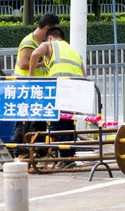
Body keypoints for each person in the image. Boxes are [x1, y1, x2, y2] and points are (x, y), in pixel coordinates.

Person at [29, 26, 86, 169]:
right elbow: (83, 74)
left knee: (58, 125)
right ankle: (69, 157)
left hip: (61, 89)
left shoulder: (48, 44)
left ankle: (64, 158)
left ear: (49, 37)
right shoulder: (72, 50)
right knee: (69, 125)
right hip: (77, 89)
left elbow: (35, 54)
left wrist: (31, 75)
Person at [11, 13, 60, 154]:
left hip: (38, 87)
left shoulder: (43, 43)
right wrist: (42, 63)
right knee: (24, 119)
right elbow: (23, 64)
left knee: (39, 119)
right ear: (46, 28)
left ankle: (39, 149)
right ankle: (20, 150)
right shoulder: (29, 42)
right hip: (25, 87)